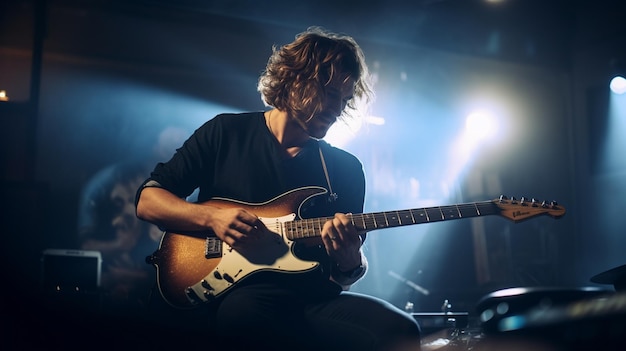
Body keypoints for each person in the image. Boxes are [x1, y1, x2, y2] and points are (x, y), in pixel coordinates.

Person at [135, 26, 422, 351]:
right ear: (295, 80)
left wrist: (349, 259)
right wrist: (211, 219)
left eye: (344, 99)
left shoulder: (345, 168)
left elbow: (343, 278)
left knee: (402, 330)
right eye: (330, 94)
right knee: (245, 317)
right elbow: (148, 201)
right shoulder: (224, 133)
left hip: (309, 300)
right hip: (233, 296)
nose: (338, 108)